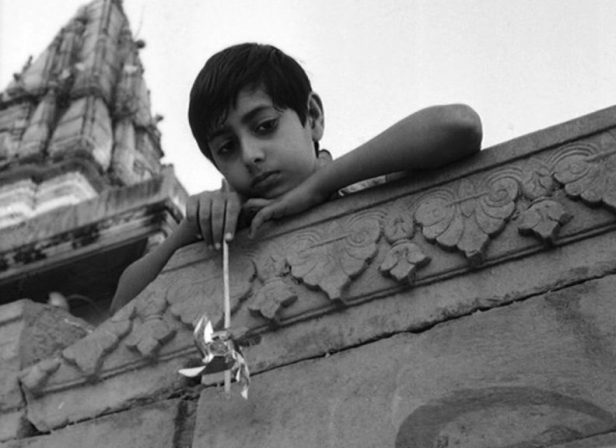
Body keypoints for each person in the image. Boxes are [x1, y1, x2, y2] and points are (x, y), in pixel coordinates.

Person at [110, 42, 482, 312]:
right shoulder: (235, 233)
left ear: (313, 117)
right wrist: (189, 229)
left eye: (265, 126)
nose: (250, 155)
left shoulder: (365, 188)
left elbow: (459, 126)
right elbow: (121, 306)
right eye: (226, 148)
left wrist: (318, 187)